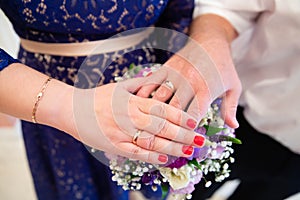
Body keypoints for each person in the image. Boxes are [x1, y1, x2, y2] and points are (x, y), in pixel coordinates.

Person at [0, 1, 219, 199]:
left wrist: (175, 74)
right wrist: (65, 105)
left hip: (148, 82)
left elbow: (178, 12)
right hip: (53, 91)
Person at [166, 1, 300, 200]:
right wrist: (209, 42)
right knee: (187, 191)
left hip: (294, 172)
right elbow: (229, 6)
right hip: (241, 113)